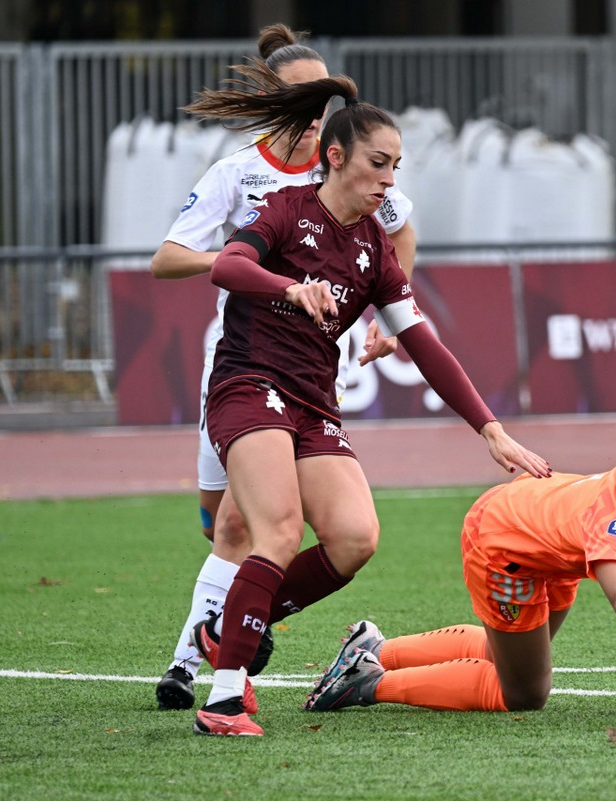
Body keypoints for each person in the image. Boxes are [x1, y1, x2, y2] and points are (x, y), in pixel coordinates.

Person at [183, 64, 552, 737]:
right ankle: (225, 699)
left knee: (355, 538)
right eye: (378, 163)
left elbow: (425, 345)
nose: (389, 178)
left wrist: (490, 429)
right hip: (249, 384)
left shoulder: (375, 248)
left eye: (396, 166)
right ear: (335, 157)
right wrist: (288, 287)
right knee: (278, 531)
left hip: (313, 401)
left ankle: (230, 624)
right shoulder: (287, 210)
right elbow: (228, 265)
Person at [148, 25, 418, 712]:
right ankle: (219, 640)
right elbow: (167, 258)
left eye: (324, 97)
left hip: (306, 372)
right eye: (303, 96)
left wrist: (390, 316)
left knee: (257, 527)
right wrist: (249, 264)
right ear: (272, 99)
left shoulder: (348, 164)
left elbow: (400, 230)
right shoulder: (240, 174)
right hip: (239, 360)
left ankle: (193, 663)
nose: (318, 110)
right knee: (224, 526)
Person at [303, 386, 616, 715]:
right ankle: (365, 681)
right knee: (523, 692)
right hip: (505, 541)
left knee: (514, 654)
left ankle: (377, 650)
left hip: (553, 547)